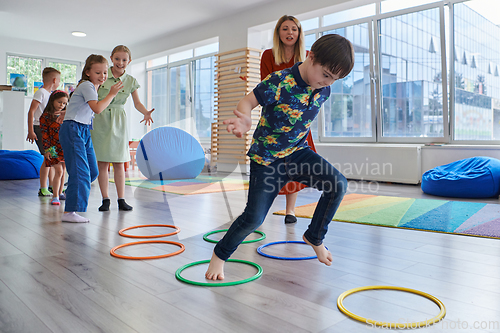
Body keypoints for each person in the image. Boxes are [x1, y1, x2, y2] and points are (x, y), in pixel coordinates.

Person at [205, 34, 355, 280]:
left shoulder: (323, 91)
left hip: (298, 153)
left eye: (335, 79)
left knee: (338, 184)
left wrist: (325, 81)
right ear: (311, 57)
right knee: (253, 218)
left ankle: (314, 236)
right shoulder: (278, 81)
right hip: (267, 160)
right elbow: (247, 102)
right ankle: (219, 255)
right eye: (326, 75)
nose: (328, 83)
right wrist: (243, 120)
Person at [260, 15, 316, 225]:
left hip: (298, 121)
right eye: (285, 28)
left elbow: (312, 87)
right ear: (278, 32)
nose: (290, 32)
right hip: (274, 120)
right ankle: (261, 209)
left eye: (294, 29)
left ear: (299, 33)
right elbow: (265, 86)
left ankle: (290, 211)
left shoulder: (308, 56)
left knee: (295, 167)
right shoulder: (268, 56)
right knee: (271, 166)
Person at [59, 54, 123, 223]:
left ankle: (71, 191)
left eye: (104, 73)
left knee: (92, 171)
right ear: (87, 72)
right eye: (98, 73)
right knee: (81, 172)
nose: (102, 76)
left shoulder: (91, 87)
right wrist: (111, 94)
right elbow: (97, 109)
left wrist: (65, 113)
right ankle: (70, 212)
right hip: (74, 129)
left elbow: (79, 106)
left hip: (83, 129)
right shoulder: (87, 85)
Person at [91, 45, 154, 212]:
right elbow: (91, 97)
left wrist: (146, 112)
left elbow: (137, 103)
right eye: (117, 59)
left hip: (119, 120)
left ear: (129, 61)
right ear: (111, 58)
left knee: (120, 162)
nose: (120, 62)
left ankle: (121, 199)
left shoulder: (131, 81)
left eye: (124, 60)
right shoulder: (103, 76)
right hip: (101, 119)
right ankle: (105, 199)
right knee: (102, 163)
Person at [26, 67, 61, 197]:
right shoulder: (41, 92)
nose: (59, 83)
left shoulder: (50, 95)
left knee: (51, 158)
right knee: (48, 158)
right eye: (59, 80)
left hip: (48, 129)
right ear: (54, 80)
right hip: (40, 129)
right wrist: (30, 130)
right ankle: (43, 187)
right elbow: (31, 111)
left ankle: (52, 186)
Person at [40, 90, 69, 205]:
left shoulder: (66, 115)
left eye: (64, 103)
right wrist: (47, 149)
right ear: (52, 101)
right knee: (59, 170)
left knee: (63, 171)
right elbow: (44, 134)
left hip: (65, 147)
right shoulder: (45, 116)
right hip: (52, 148)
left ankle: (60, 192)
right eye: (59, 102)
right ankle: (55, 196)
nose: (61, 105)